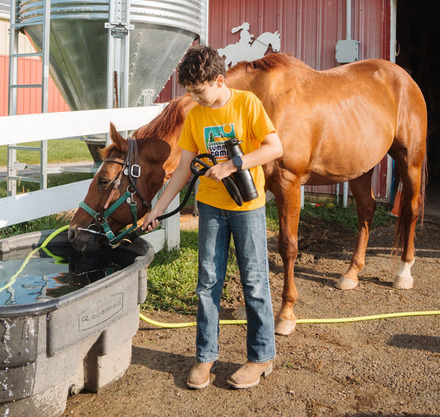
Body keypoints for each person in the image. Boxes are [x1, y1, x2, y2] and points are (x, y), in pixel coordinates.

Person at [142, 45, 283, 390]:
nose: (195, 98)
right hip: (210, 207)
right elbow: (185, 169)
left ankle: (262, 355)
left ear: (219, 81)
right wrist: (158, 208)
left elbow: (274, 147)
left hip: (247, 208)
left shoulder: (247, 104)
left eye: (199, 91)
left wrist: (233, 164)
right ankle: (205, 356)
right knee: (207, 282)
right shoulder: (196, 116)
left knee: (254, 281)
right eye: (189, 92)